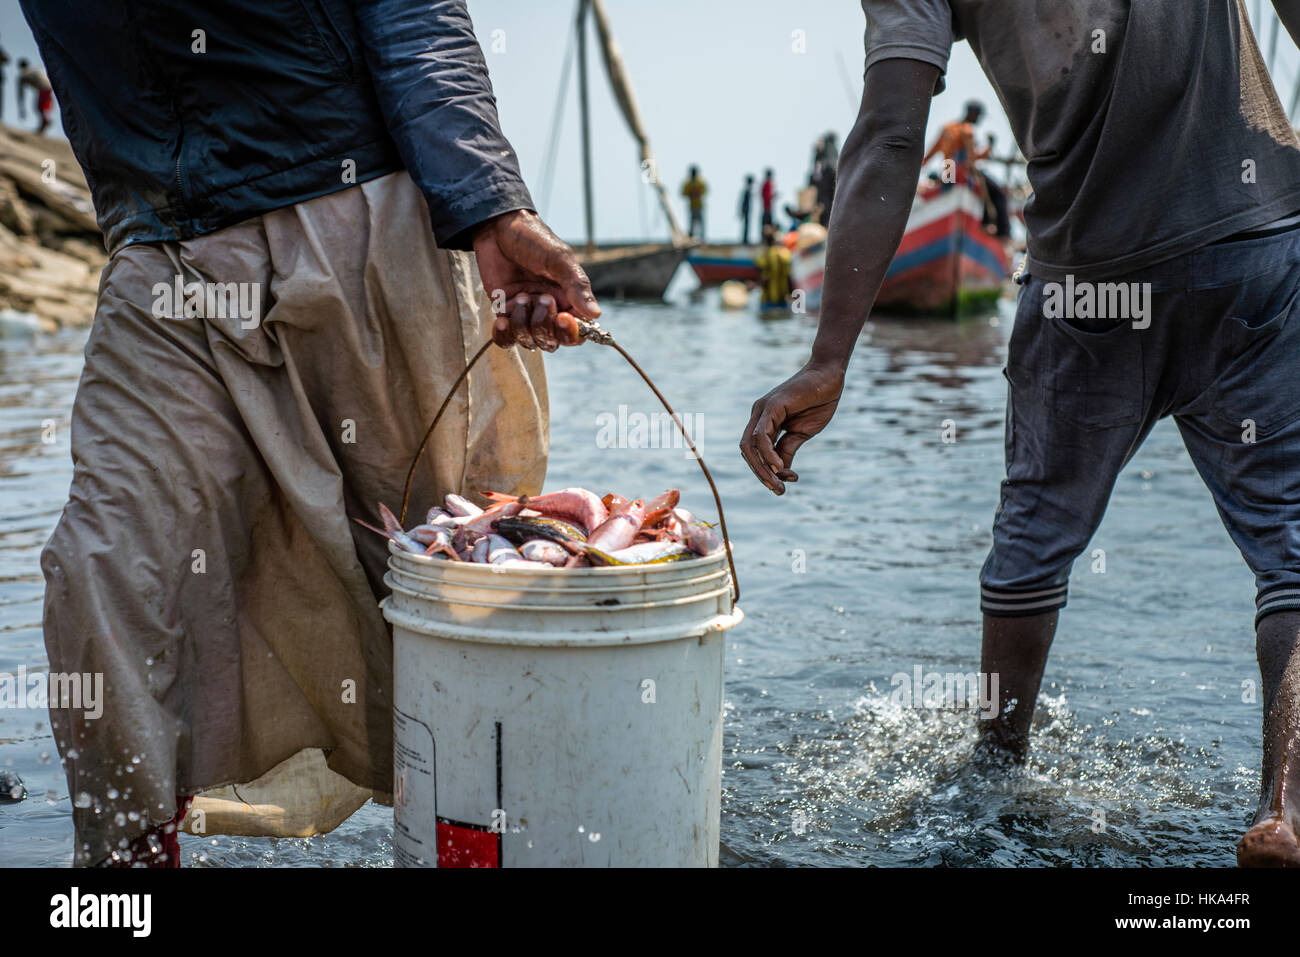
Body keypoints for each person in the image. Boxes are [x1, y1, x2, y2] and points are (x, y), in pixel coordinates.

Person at [24, 0, 600, 867]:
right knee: (104, 568)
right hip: (155, 254)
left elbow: (413, 11)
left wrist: (486, 202)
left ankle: (535, 837)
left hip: (354, 220)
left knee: (442, 585)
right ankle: (121, 880)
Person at [740, 0, 1300, 867]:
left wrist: (829, 357)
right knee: (1291, 545)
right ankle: (1283, 811)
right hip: (1253, 244)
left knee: (1031, 544)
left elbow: (892, 137)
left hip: (1088, 282)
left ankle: (995, 771)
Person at [923, 100, 1009, 238]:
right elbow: (971, 158)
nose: (979, 119)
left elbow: (932, 152)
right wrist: (989, 148)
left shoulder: (947, 128)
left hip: (948, 172)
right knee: (998, 194)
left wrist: (920, 167)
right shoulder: (967, 131)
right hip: (961, 172)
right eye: (979, 116)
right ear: (972, 114)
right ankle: (1001, 233)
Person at [754, 224, 791, 309]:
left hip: (768, 299)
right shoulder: (786, 254)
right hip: (783, 297)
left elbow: (759, 270)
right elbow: (790, 275)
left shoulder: (765, 256)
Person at [16, 58, 53, 134]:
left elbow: (21, 94)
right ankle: (44, 124)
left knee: (39, 107)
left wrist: (21, 108)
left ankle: (45, 122)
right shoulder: (35, 70)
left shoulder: (23, 74)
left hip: (43, 88)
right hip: (49, 87)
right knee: (41, 108)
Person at [681, 165, 707, 240]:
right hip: (692, 206)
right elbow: (684, 193)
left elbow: (705, 191)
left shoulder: (700, 182)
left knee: (701, 223)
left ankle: (702, 239)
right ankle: (691, 238)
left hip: (699, 206)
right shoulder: (688, 183)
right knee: (692, 224)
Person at [738, 174, 755, 245]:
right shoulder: (747, 190)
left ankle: (745, 239)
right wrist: (743, 211)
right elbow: (744, 202)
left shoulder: (747, 190)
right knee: (746, 225)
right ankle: (745, 239)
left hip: (746, 210)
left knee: (746, 225)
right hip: (746, 210)